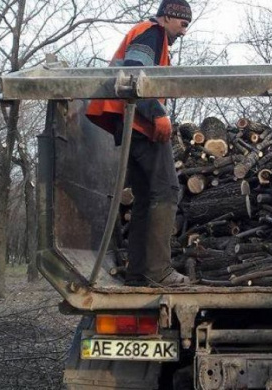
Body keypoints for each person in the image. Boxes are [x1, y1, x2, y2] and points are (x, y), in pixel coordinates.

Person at [86, 0, 193, 286]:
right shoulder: (151, 33)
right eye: (183, 24)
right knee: (167, 190)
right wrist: (157, 114)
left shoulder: (148, 34)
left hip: (130, 125)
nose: (184, 32)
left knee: (146, 198)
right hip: (139, 124)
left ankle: (138, 274)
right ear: (169, 16)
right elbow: (132, 73)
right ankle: (159, 271)